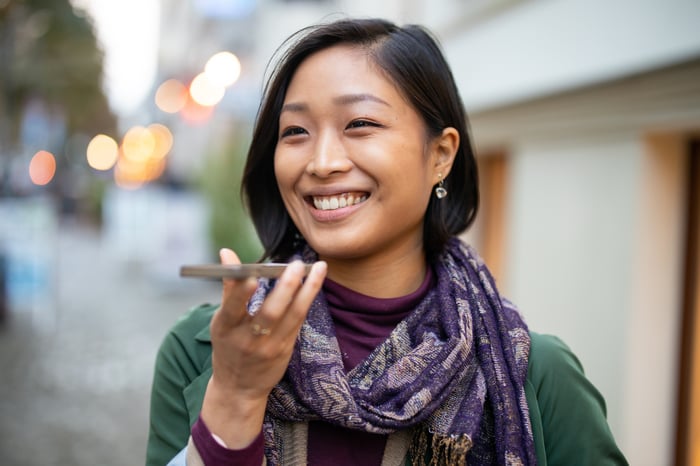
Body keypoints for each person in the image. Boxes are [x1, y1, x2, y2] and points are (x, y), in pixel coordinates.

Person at [146, 17, 628, 466]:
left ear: (440, 155)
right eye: (295, 132)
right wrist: (235, 397)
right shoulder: (203, 352)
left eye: (360, 124)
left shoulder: (535, 375)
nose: (322, 162)